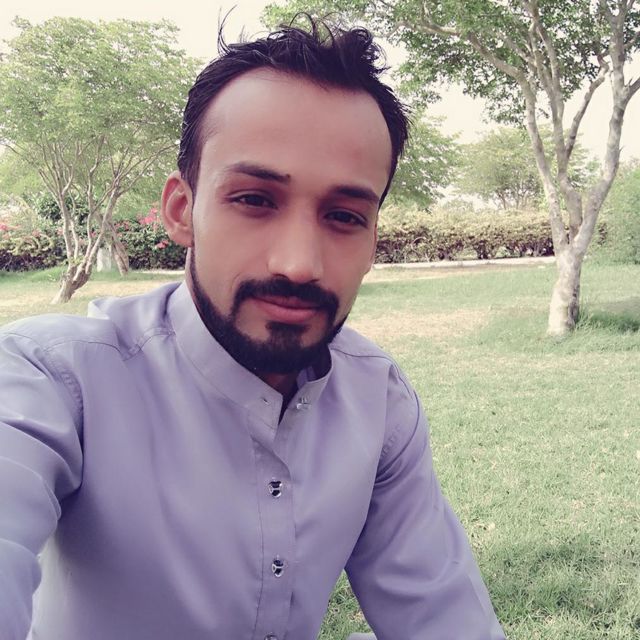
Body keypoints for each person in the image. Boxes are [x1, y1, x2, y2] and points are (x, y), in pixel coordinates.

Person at [0, 20, 506, 640]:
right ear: (182, 210)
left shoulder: (379, 401)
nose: (299, 264)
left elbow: (442, 615)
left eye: (344, 216)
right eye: (254, 200)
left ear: (374, 238)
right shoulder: (55, 379)